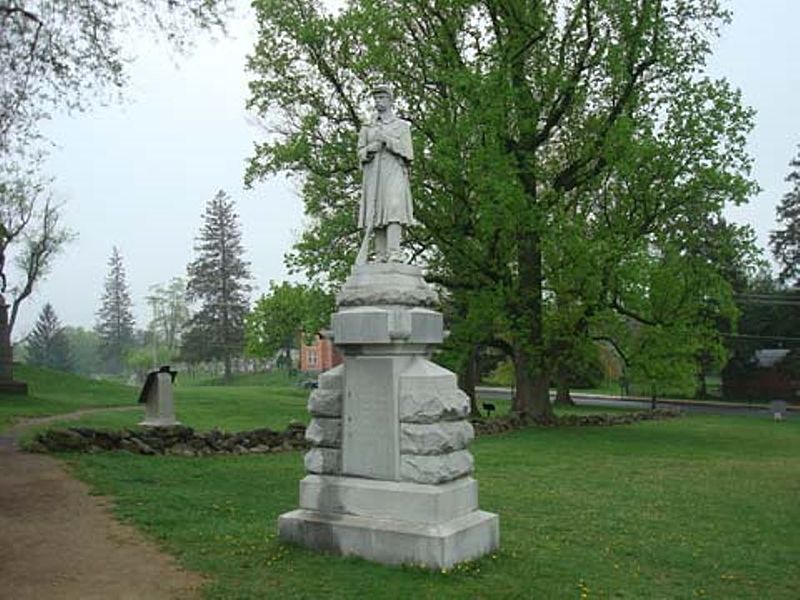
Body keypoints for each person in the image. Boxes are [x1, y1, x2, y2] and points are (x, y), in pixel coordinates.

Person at [356, 84, 413, 263]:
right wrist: (369, 150)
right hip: (374, 175)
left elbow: (408, 153)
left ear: (390, 100)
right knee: (377, 212)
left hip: (394, 171)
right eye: (376, 98)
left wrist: (387, 141)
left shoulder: (402, 126)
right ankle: (380, 254)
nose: (378, 101)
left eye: (382, 97)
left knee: (393, 207)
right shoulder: (367, 127)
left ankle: (394, 252)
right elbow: (359, 153)